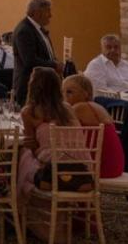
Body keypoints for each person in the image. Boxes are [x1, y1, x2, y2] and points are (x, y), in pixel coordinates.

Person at [18, 66, 82, 197]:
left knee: (22, 155)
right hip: (80, 164)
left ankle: (20, 206)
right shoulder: (68, 108)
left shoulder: (29, 112)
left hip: (53, 167)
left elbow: (33, 145)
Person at [63, 73, 125, 178]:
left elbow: (59, 131)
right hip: (115, 166)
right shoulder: (97, 106)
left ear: (85, 94)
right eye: (62, 92)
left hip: (98, 167)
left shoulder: (79, 108)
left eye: (69, 92)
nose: (64, 96)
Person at [13, 0, 59, 106]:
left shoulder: (38, 29)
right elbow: (30, 61)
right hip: (30, 86)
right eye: (48, 11)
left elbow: (46, 54)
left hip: (42, 85)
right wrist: (54, 65)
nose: (50, 15)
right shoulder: (24, 30)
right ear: (37, 13)